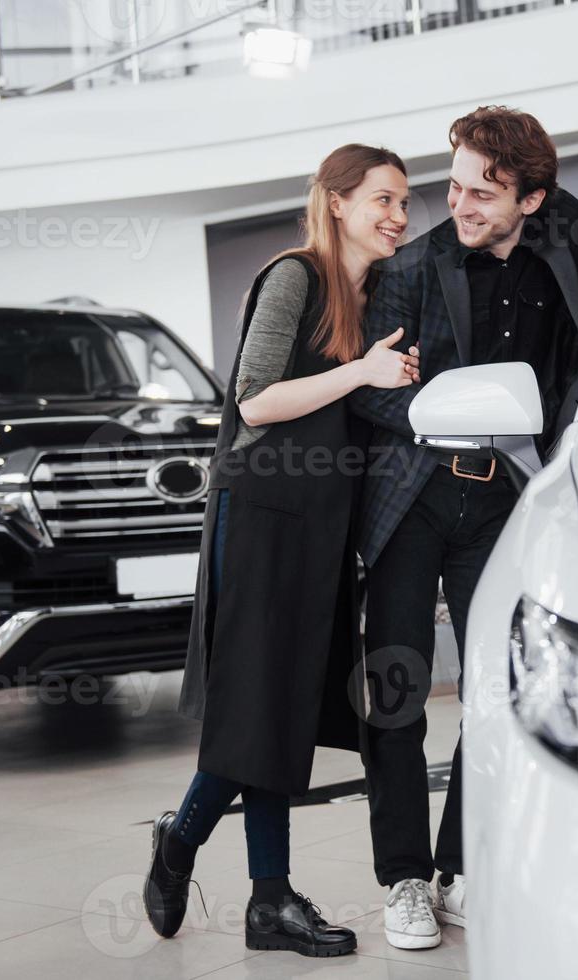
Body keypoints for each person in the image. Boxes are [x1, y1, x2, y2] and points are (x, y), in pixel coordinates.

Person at [350, 106, 578, 950]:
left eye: (481, 194)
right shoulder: (416, 268)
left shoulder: (566, 235)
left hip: (505, 502)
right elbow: (369, 388)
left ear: (531, 198)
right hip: (411, 498)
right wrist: (433, 406)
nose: (458, 205)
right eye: (454, 186)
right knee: (396, 696)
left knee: (493, 692)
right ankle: (402, 879)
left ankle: (457, 867)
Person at [143, 143, 420, 958]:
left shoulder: (371, 295)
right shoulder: (293, 276)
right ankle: (184, 837)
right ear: (336, 202)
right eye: (383, 199)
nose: (399, 216)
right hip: (261, 515)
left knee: (286, 708)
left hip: (323, 527)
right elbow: (256, 399)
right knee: (256, 705)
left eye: (406, 202)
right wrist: (363, 371)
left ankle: (267, 902)